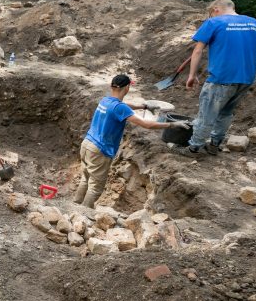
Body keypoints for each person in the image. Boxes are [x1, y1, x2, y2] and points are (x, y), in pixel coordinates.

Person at [73, 75, 190, 208]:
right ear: (127, 87)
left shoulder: (106, 100)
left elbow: (124, 106)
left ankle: (75, 205)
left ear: (112, 86)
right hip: (99, 150)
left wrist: (144, 106)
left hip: (87, 144)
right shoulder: (120, 108)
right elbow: (147, 124)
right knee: (95, 187)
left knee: (86, 178)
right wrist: (171, 125)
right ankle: (83, 213)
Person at [184, 0, 256, 155]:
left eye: (211, 13)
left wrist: (192, 75)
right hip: (246, 78)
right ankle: (215, 145)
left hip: (221, 78)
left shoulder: (214, 22)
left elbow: (198, 50)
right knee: (226, 113)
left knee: (206, 114)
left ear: (216, 9)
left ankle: (194, 148)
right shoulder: (253, 23)